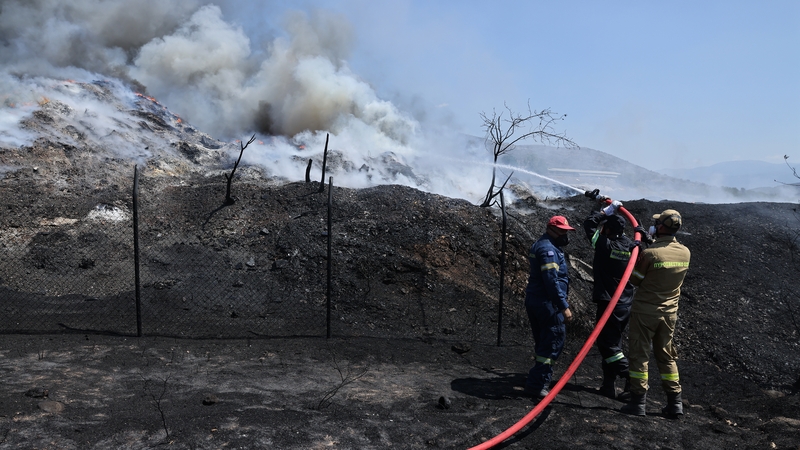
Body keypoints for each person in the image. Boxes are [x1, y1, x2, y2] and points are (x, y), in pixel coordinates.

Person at [621, 209, 691, 417]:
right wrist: (652, 244)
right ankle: (675, 403)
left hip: (645, 312)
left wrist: (640, 252)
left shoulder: (650, 254)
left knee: (639, 355)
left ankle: (638, 402)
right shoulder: (685, 252)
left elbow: (635, 279)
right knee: (666, 355)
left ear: (660, 227)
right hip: (669, 314)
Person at [582, 203, 635, 400]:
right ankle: (608, 385)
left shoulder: (605, 244)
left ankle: (630, 377)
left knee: (606, 343)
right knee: (614, 342)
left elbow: (588, 224)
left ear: (608, 229)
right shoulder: (630, 245)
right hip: (625, 302)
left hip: (609, 302)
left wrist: (605, 211)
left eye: (605, 227)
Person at [523, 215, 575, 399]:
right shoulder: (548, 250)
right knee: (553, 341)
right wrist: (563, 306)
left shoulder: (548, 246)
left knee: (544, 342)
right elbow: (551, 281)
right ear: (551, 229)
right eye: (562, 231)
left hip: (538, 300)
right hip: (547, 303)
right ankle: (537, 384)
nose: (565, 235)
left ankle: (539, 379)